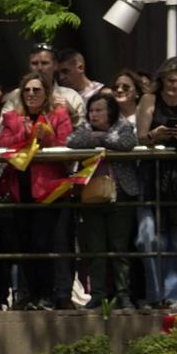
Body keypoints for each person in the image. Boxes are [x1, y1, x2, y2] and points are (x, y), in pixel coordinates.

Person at [0, 74, 74, 308]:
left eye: (36, 90)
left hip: (48, 189)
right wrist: (28, 134)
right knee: (25, 244)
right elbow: (4, 142)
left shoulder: (59, 115)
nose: (31, 94)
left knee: (45, 243)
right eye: (27, 90)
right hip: (20, 187)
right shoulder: (12, 117)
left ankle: (47, 294)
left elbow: (66, 145)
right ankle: (29, 294)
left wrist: (46, 136)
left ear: (46, 93)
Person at [136, 57, 177, 310]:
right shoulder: (149, 100)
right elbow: (141, 137)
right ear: (162, 79)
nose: (175, 86)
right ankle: (157, 294)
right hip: (152, 174)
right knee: (149, 237)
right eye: (171, 80)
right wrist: (156, 134)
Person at [68, 90, 137, 307]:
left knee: (120, 248)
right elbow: (72, 141)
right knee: (95, 248)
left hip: (121, 194)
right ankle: (98, 294)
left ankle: (123, 294)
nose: (93, 115)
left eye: (99, 110)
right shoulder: (84, 129)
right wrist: (98, 137)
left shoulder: (123, 126)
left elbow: (128, 142)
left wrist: (102, 138)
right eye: (91, 111)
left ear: (111, 112)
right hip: (91, 195)